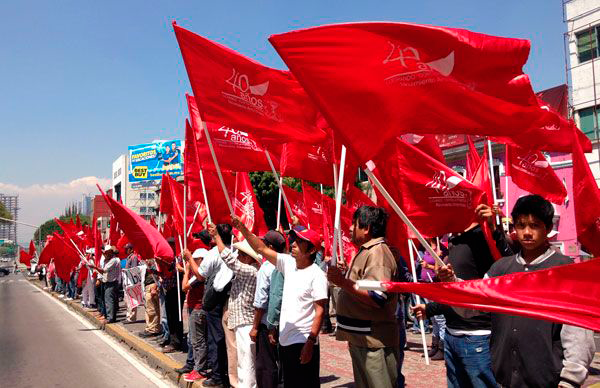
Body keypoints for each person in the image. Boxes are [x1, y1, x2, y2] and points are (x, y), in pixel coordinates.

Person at [438, 195, 596, 387]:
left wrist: (570, 379)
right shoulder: (501, 269)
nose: (527, 232)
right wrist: (452, 282)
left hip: (548, 379)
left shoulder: (563, 270)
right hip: (504, 378)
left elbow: (577, 331)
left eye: (534, 225)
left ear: (547, 228)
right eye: (521, 225)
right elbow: (474, 305)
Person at [233, 215, 328, 388]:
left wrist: (310, 342)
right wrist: (243, 229)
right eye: (294, 240)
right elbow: (261, 248)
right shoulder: (288, 263)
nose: (293, 244)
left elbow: (320, 311)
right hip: (286, 341)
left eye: (299, 242)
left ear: (312, 250)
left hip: (303, 342)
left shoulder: (317, 275)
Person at [327, 206, 399, 388]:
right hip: (363, 339)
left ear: (366, 228)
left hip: (374, 342)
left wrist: (343, 282)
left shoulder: (378, 253)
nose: (350, 228)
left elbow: (376, 297)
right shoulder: (368, 251)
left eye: (354, 223)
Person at [210, 223, 261, 388]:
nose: (237, 255)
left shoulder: (251, 271)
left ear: (248, 257)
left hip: (246, 322)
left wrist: (217, 237)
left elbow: (230, 260)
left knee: (247, 362)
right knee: (242, 360)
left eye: (240, 254)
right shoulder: (248, 270)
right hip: (240, 321)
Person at [196, 224, 235, 388]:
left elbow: (200, 274)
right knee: (228, 339)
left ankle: (218, 376)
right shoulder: (236, 250)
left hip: (217, 300)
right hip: (230, 298)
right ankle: (227, 374)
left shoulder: (214, 254)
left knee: (216, 338)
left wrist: (189, 259)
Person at [250, 230, 286, 388]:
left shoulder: (266, 268)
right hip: (285, 322)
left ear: (269, 247)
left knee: (266, 365)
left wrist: (255, 327)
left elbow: (261, 302)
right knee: (283, 364)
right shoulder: (291, 263)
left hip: (267, 324)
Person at [180, 247, 210, 382]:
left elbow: (184, 286)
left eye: (196, 260)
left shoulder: (200, 276)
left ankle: (200, 369)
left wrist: (186, 271)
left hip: (198, 310)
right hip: (195, 309)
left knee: (198, 342)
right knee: (195, 340)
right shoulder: (199, 274)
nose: (194, 262)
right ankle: (198, 367)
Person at [91, 246, 121, 323]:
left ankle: (110, 318)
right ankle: (110, 317)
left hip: (111, 283)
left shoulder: (113, 260)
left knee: (109, 300)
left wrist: (94, 267)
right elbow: (103, 272)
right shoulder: (107, 260)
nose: (104, 254)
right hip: (107, 282)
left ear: (110, 252)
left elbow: (104, 270)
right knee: (108, 300)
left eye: (106, 252)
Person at [139, 258, 162, 338]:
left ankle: (153, 329)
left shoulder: (152, 259)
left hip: (152, 285)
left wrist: (155, 287)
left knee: (152, 309)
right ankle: (150, 327)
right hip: (147, 286)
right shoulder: (145, 259)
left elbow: (156, 273)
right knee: (148, 309)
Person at [124, 243, 140, 323]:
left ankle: (132, 318)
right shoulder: (129, 257)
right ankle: (128, 316)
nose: (126, 250)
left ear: (131, 249)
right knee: (127, 301)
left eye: (127, 249)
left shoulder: (134, 257)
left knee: (132, 300)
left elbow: (134, 270)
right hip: (127, 281)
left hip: (131, 281)